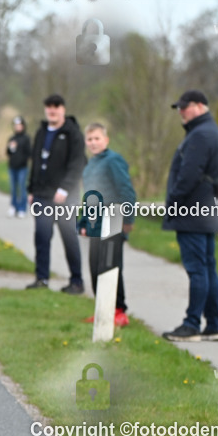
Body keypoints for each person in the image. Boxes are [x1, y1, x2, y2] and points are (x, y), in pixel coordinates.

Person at [162, 90, 218, 342]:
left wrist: (172, 203)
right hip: (207, 210)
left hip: (192, 212)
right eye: (178, 108)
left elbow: (188, 176)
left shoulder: (200, 136)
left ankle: (191, 325)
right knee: (208, 267)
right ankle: (213, 324)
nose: (181, 111)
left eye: (185, 107)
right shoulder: (212, 131)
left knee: (197, 269)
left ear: (200, 106)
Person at [27, 94, 85, 294]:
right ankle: (41, 278)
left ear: (63, 109)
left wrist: (65, 188)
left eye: (56, 106)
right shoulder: (41, 132)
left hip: (65, 198)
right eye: (49, 106)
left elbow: (78, 163)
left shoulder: (72, 133)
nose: (52, 110)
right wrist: (31, 189)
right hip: (42, 195)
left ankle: (76, 281)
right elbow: (35, 162)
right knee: (42, 237)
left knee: (69, 237)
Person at [78, 123, 136, 327]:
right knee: (95, 267)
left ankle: (119, 311)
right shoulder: (90, 165)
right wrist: (83, 222)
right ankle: (102, 309)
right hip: (95, 223)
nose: (93, 143)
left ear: (106, 140)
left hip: (113, 218)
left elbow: (126, 190)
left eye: (97, 138)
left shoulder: (113, 160)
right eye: (90, 139)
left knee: (110, 266)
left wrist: (128, 219)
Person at [6, 116, 31, 217]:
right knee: (13, 188)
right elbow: (8, 152)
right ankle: (14, 206)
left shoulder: (26, 138)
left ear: (23, 126)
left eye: (19, 125)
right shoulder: (12, 138)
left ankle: (22, 208)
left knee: (21, 188)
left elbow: (29, 153)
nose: (18, 127)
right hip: (12, 167)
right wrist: (11, 148)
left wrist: (22, 160)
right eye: (16, 125)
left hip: (22, 167)